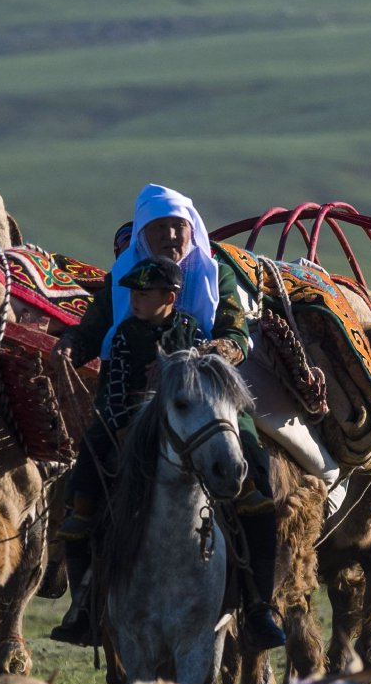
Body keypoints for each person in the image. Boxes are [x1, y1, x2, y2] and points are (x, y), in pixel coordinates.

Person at [53, 185, 287, 653]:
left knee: (256, 480)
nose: (170, 237)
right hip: (128, 402)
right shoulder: (125, 276)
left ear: (190, 229)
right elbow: (93, 328)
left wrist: (220, 348)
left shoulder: (214, 274)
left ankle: (259, 605)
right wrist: (71, 345)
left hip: (207, 398)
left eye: (178, 227)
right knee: (84, 482)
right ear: (144, 233)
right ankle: (83, 604)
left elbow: (237, 332)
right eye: (159, 229)